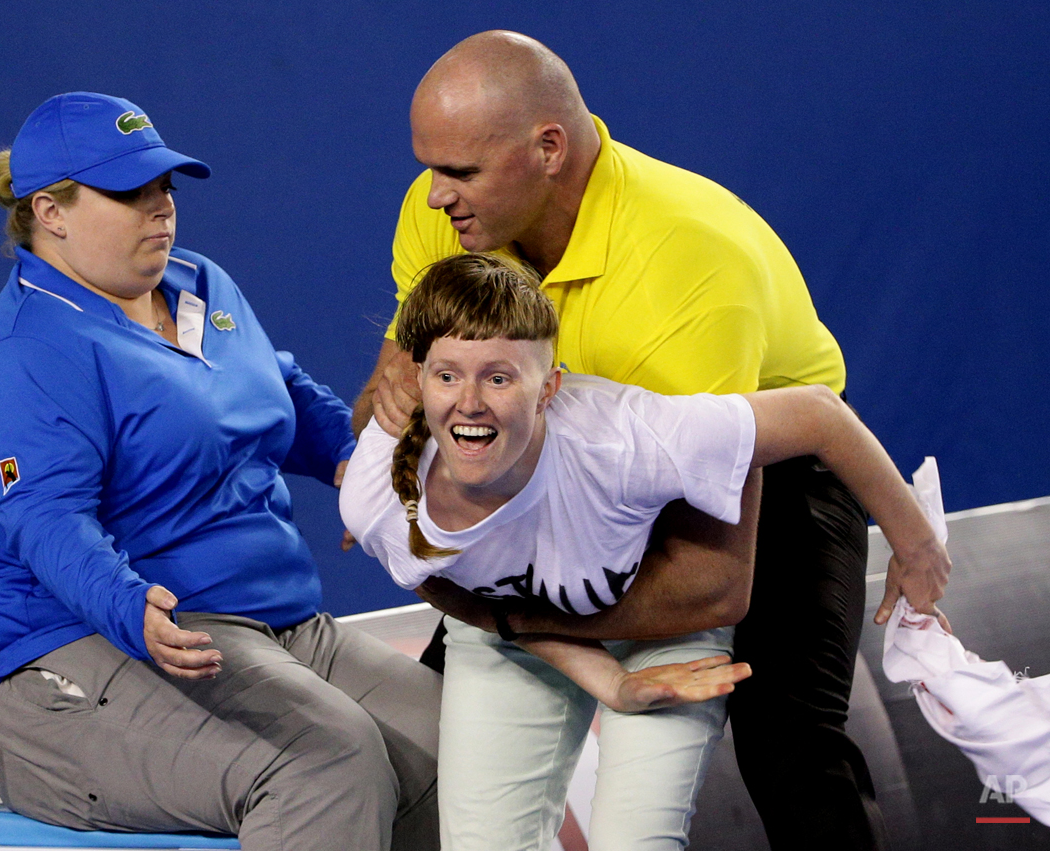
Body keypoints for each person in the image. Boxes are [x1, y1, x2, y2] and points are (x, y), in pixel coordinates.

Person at [353, 31, 948, 851]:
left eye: (459, 172)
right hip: (554, 471)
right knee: (435, 722)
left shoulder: (689, 266)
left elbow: (714, 585)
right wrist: (522, 630)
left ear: (548, 148)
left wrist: (519, 624)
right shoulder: (454, 223)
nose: (432, 197)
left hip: (766, 467)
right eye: (429, 167)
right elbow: (388, 407)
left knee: (788, 742)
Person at [0, 91, 440, 851]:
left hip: (267, 627)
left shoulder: (199, 282)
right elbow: (46, 521)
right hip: (75, 657)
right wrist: (129, 603)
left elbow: (282, 391)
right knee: (322, 764)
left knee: (463, 742)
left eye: (165, 187)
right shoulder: (24, 353)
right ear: (51, 211)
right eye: (129, 193)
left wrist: (357, 463)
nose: (160, 209)